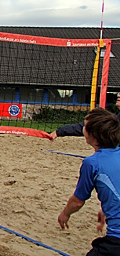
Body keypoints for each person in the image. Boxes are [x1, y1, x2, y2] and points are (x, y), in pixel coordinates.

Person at [57, 107, 120, 255]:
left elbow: (78, 201)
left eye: (85, 126)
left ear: (92, 134)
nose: (82, 128)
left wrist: (65, 213)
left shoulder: (92, 163)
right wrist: (107, 207)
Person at [50, 94, 120, 140]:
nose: (118, 95)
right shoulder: (115, 119)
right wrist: (60, 131)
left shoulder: (114, 121)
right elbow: (90, 125)